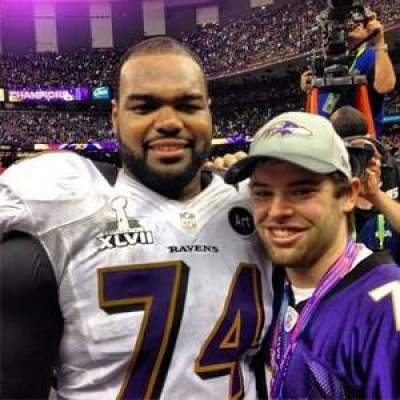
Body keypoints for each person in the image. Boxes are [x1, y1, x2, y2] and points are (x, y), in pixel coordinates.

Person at [0, 37, 273, 399]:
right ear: (115, 116)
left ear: (209, 111)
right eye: (145, 107)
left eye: (188, 105)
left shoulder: (254, 203)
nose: (169, 122)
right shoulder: (67, 193)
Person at [225, 111, 400, 398]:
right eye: (263, 193)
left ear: (348, 195)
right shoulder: (271, 287)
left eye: (302, 191)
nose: (278, 211)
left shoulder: (385, 310)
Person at [300, 10, 396, 135]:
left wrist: (379, 42)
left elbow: (385, 86)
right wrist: (309, 88)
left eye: (362, 22)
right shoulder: (327, 61)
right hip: (327, 142)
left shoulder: (372, 54)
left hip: (358, 143)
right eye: (351, 21)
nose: (357, 24)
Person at [331, 105, 400, 263]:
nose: (357, 160)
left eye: (362, 151)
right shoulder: (329, 179)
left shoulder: (391, 170)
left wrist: (376, 195)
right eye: (349, 154)